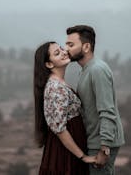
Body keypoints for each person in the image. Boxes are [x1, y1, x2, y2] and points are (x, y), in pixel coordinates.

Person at [65, 25, 125, 174]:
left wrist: (104, 147)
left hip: (100, 144)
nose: (66, 49)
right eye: (66, 44)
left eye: (71, 45)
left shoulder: (97, 70)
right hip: (94, 140)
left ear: (86, 47)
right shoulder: (86, 70)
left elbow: (107, 110)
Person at [34, 41, 96, 174]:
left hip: (70, 146)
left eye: (61, 49)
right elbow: (60, 129)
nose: (63, 52)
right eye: (57, 53)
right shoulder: (55, 88)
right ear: (49, 64)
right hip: (65, 152)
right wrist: (82, 156)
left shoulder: (58, 83)